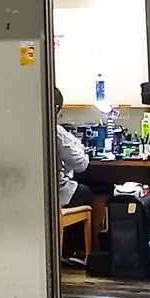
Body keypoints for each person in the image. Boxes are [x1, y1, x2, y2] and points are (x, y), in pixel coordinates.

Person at [55, 87, 94, 263]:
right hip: (57, 195)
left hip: (33, 195)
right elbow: (81, 165)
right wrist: (82, 149)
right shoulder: (56, 132)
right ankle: (74, 251)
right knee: (85, 193)